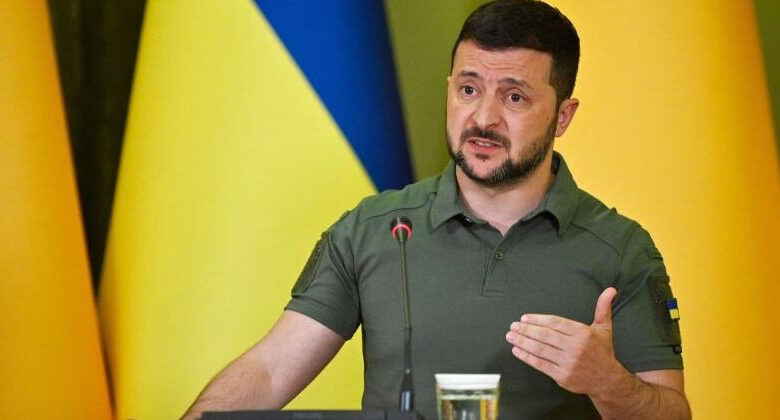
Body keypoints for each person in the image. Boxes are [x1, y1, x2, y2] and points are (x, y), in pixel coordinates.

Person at [184, 0, 690, 418]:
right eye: (469, 89)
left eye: (514, 98)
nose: (483, 117)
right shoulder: (372, 230)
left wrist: (608, 383)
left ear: (562, 116)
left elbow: (671, 412)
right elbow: (271, 371)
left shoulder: (621, 249)